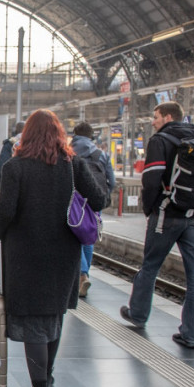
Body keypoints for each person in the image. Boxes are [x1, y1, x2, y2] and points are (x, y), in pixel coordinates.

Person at [0, 109, 106, 387]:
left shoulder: (15, 167)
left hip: (25, 256)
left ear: (26, 135)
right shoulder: (73, 165)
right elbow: (100, 199)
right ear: (59, 135)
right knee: (53, 317)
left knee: (33, 325)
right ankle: (46, 377)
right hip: (63, 254)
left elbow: (6, 209)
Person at [119, 102, 194, 349]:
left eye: (155, 117)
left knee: (150, 265)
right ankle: (191, 334)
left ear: (168, 117)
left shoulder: (160, 141)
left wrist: (150, 210)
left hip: (167, 215)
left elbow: (151, 179)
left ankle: (137, 314)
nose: (153, 122)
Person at [71, 122, 115, 297]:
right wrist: (102, 196)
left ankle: (81, 274)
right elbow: (111, 180)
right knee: (89, 235)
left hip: (73, 201)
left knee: (74, 235)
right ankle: (85, 273)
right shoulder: (100, 154)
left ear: (75, 134)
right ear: (91, 136)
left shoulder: (68, 152)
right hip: (94, 200)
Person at [0, 121, 24, 187]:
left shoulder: (9, 144)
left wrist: (0, 183)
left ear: (16, 130)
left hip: (11, 183)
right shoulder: (33, 144)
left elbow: (1, 165)